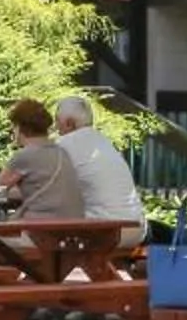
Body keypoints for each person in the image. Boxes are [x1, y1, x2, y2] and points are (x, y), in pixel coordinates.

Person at [52, 96, 147, 246]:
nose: (55, 127)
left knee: (48, 235)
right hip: (136, 230)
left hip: (104, 232)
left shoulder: (64, 144)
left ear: (70, 123)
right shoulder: (104, 142)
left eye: (57, 120)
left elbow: (43, 187)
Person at [0, 98, 87, 221]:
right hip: (72, 231)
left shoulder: (24, 156)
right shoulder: (61, 152)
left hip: (40, 232)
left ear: (19, 127)